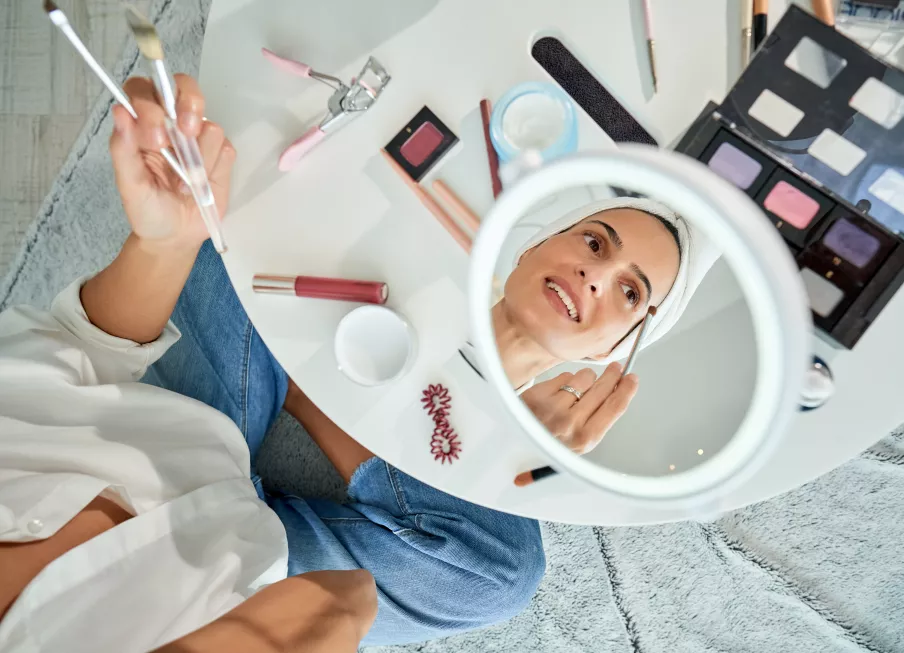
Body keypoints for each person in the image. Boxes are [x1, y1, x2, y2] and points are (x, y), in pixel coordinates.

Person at [0, 75, 544, 652]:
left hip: (166, 423)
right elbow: (342, 599)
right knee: (495, 572)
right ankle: (296, 384)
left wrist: (163, 244)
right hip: (246, 581)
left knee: (253, 214)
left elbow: (73, 348)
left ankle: (295, 389)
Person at [476, 197, 718, 454]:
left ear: (612, 348)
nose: (595, 277)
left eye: (629, 292)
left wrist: (507, 450)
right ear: (533, 248)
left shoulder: (503, 448)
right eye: (594, 243)